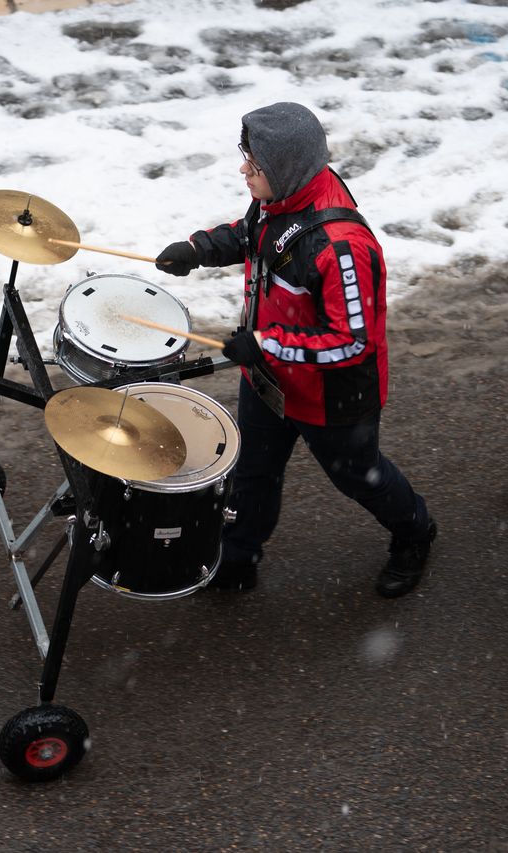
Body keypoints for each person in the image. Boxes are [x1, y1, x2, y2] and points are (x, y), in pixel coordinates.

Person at [154, 102, 436, 597]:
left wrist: (265, 343)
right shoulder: (282, 197)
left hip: (333, 397)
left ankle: (415, 530)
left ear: (284, 169)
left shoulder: (341, 247)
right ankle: (238, 557)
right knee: (253, 473)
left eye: (254, 163)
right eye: (245, 155)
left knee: (359, 479)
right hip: (270, 377)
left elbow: (352, 343)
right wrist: (200, 249)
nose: (244, 169)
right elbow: (252, 237)